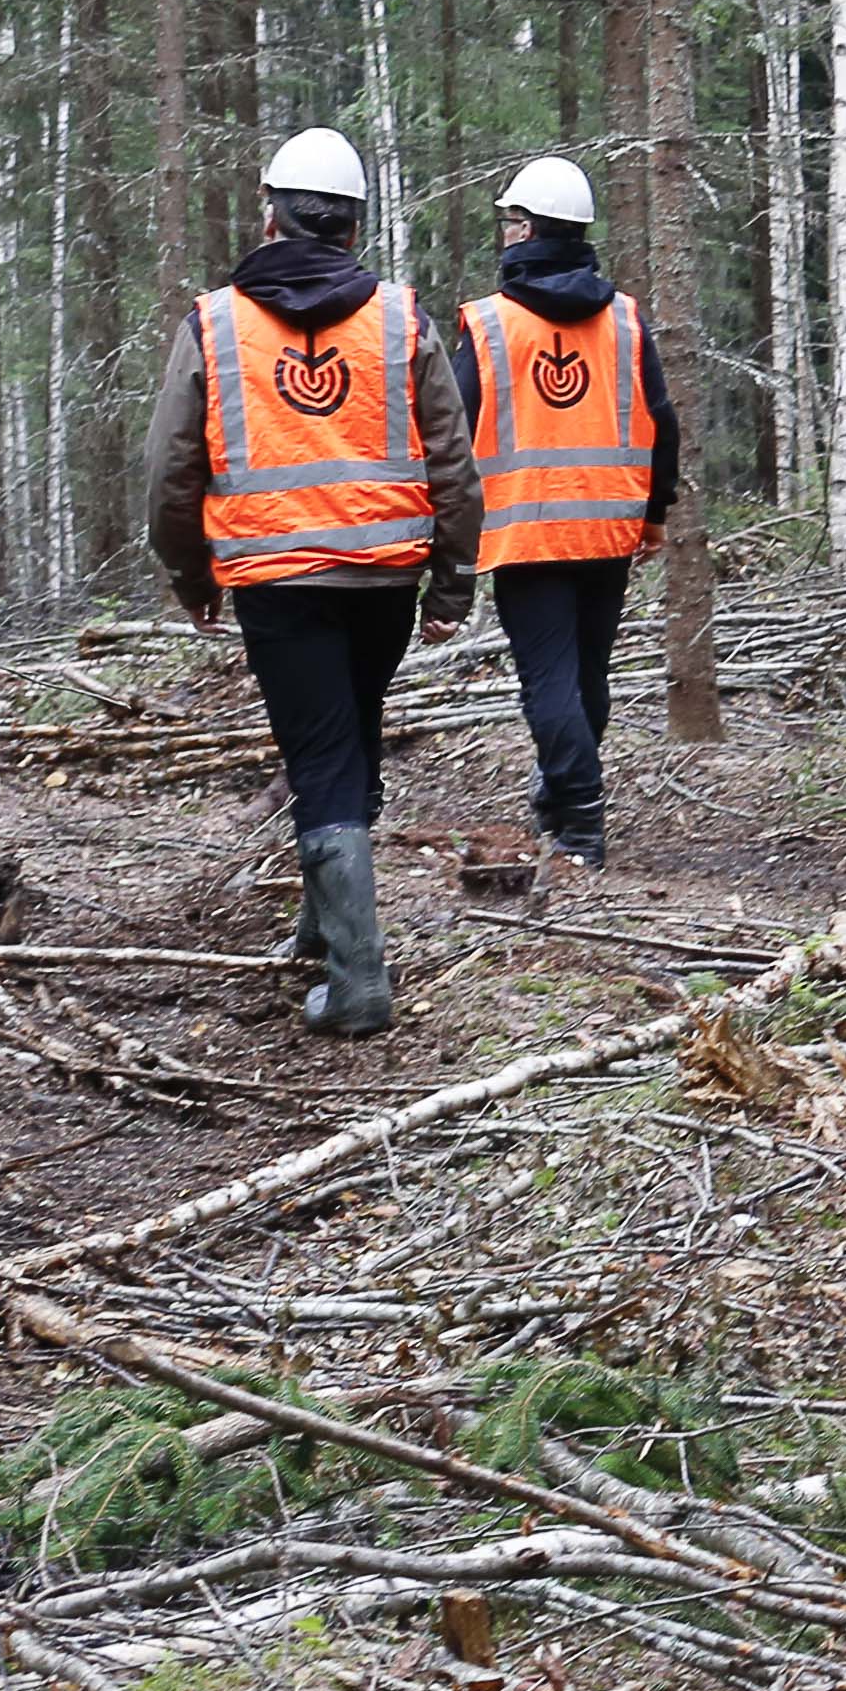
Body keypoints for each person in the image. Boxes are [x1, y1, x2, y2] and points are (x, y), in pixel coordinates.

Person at [146, 129, 478, 1037]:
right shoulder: (402, 319)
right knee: (348, 739)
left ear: (271, 214)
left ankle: (361, 980)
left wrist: (189, 572)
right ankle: (326, 927)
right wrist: (450, 581)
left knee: (324, 752)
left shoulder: (214, 323)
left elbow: (173, 465)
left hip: (278, 580)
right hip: (383, 579)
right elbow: (453, 460)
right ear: (354, 229)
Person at [445, 154, 680, 895]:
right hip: (608, 527)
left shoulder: (488, 325)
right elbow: (662, 423)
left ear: (528, 229)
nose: (505, 233)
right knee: (585, 676)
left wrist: (444, 535)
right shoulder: (624, 318)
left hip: (526, 533)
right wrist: (653, 515)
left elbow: (449, 434)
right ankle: (559, 798)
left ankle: (578, 820)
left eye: (511, 220)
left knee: (550, 680)